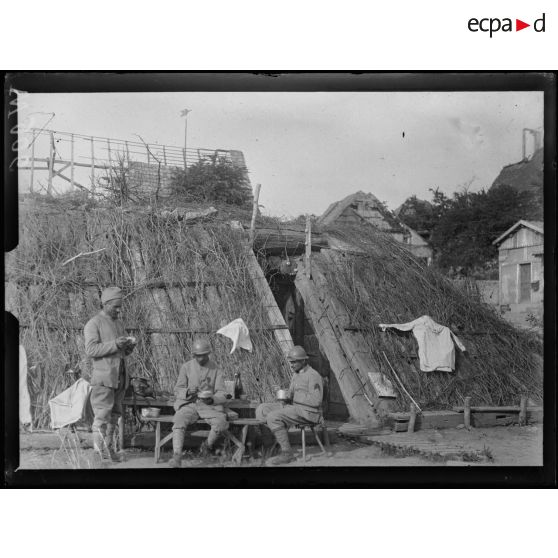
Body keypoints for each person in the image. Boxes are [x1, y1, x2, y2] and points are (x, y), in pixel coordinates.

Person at [84, 287, 135, 463]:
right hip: (104, 379)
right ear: (105, 304)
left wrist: (127, 348)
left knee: (114, 417)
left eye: (120, 306)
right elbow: (91, 350)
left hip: (120, 378)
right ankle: (98, 456)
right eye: (115, 306)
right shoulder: (94, 323)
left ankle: (109, 451)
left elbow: (119, 352)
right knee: (101, 418)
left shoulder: (119, 324)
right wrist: (115, 344)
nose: (119, 310)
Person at [256, 346, 323, 465]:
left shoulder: (313, 375)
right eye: (291, 362)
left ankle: (287, 454)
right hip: (294, 407)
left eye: (294, 362)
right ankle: (274, 443)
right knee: (262, 409)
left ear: (303, 361)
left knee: (273, 417)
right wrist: (283, 394)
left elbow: (316, 400)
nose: (292, 365)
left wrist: (295, 397)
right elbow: (291, 394)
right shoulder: (296, 374)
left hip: (308, 412)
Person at [169, 338, 228, 468]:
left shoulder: (216, 369)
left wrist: (212, 399)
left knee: (221, 423)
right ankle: (177, 456)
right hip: (189, 404)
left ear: (208, 354)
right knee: (179, 420)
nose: (200, 358)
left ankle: (206, 447)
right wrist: (187, 392)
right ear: (193, 355)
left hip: (208, 406)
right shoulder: (186, 367)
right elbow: (177, 389)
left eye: (203, 355)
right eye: (197, 356)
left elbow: (222, 393)